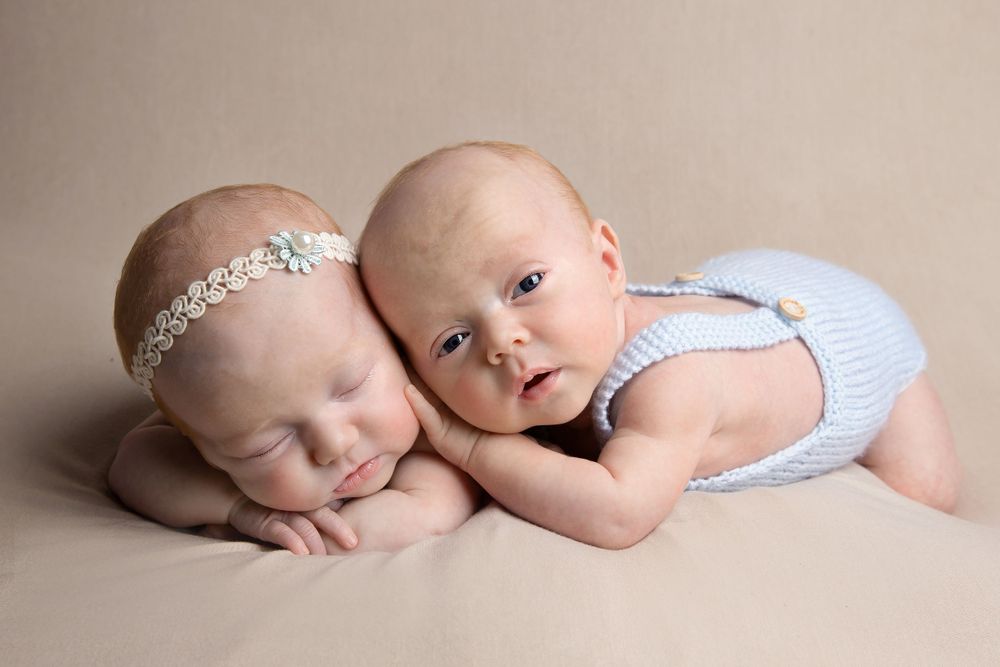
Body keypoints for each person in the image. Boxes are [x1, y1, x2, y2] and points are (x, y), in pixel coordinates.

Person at [359, 140, 961, 550]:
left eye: (527, 284)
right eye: (453, 340)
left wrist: (471, 448)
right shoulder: (558, 359)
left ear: (607, 263)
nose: (501, 341)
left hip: (856, 341)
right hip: (740, 289)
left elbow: (619, 510)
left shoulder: (672, 381)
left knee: (925, 497)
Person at [110, 184, 479, 555]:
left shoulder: (434, 403)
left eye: (351, 386)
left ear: (385, 325)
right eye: (266, 447)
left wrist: (354, 529)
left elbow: (430, 511)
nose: (333, 445)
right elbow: (132, 464)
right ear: (201, 446)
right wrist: (239, 508)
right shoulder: (220, 410)